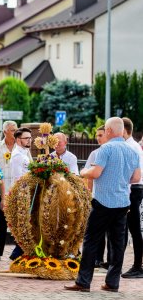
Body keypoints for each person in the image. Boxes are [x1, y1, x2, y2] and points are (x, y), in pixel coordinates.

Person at [65, 117, 141, 293]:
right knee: (117, 244)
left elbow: (96, 173)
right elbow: (136, 178)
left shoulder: (105, 149)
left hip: (103, 201)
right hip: (123, 202)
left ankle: (83, 282)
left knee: (91, 241)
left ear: (108, 131)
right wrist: (121, 180)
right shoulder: (133, 151)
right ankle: (112, 283)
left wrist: (84, 171)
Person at [82, 125, 110, 268]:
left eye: (101, 135)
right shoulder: (94, 153)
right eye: (97, 135)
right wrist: (88, 193)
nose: (98, 138)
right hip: (96, 195)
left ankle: (108, 260)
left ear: (108, 134)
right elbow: (89, 177)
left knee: (109, 231)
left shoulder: (110, 151)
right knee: (96, 230)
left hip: (110, 196)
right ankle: (97, 258)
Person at [0, 120, 18, 261]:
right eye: (13, 130)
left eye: (16, 129)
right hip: (2, 190)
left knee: (19, 222)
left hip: (18, 190)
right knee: (1, 223)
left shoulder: (22, 148)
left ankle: (19, 252)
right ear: (5, 132)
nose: (15, 132)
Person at [121, 117, 143, 278]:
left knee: (134, 229)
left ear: (123, 130)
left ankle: (137, 266)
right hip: (131, 189)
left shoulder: (132, 147)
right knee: (126, 229)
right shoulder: (130, 145)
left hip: (133, 190)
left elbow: (134, 174)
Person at [9, 127, 33, 260]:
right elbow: (18, 178)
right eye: (26, 138)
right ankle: (17, 253)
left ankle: (19, 252)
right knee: (23, 224)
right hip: (22, 192)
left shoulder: (24, 152)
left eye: (30, 137)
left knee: (26, 224)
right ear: (18, 140)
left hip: (27, 191)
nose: (29, 140)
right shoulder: (18, 156)